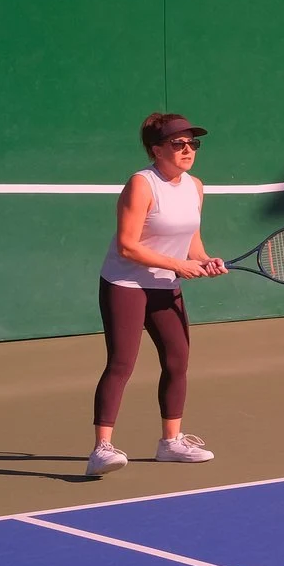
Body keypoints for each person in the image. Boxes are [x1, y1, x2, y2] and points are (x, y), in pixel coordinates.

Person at [87, 113, 225, 478]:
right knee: (122, 363)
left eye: (192, 143)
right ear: (155, 149)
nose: (187, 150)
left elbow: (191, 241)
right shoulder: (142, 184)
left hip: (165, 285)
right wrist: (176, 265)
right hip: (126, 284)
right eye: (178, 144)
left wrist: (204, 260)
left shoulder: (195, 186)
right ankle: (101, 449)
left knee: (178, 360)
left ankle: (171, 443)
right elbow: (128, 246)